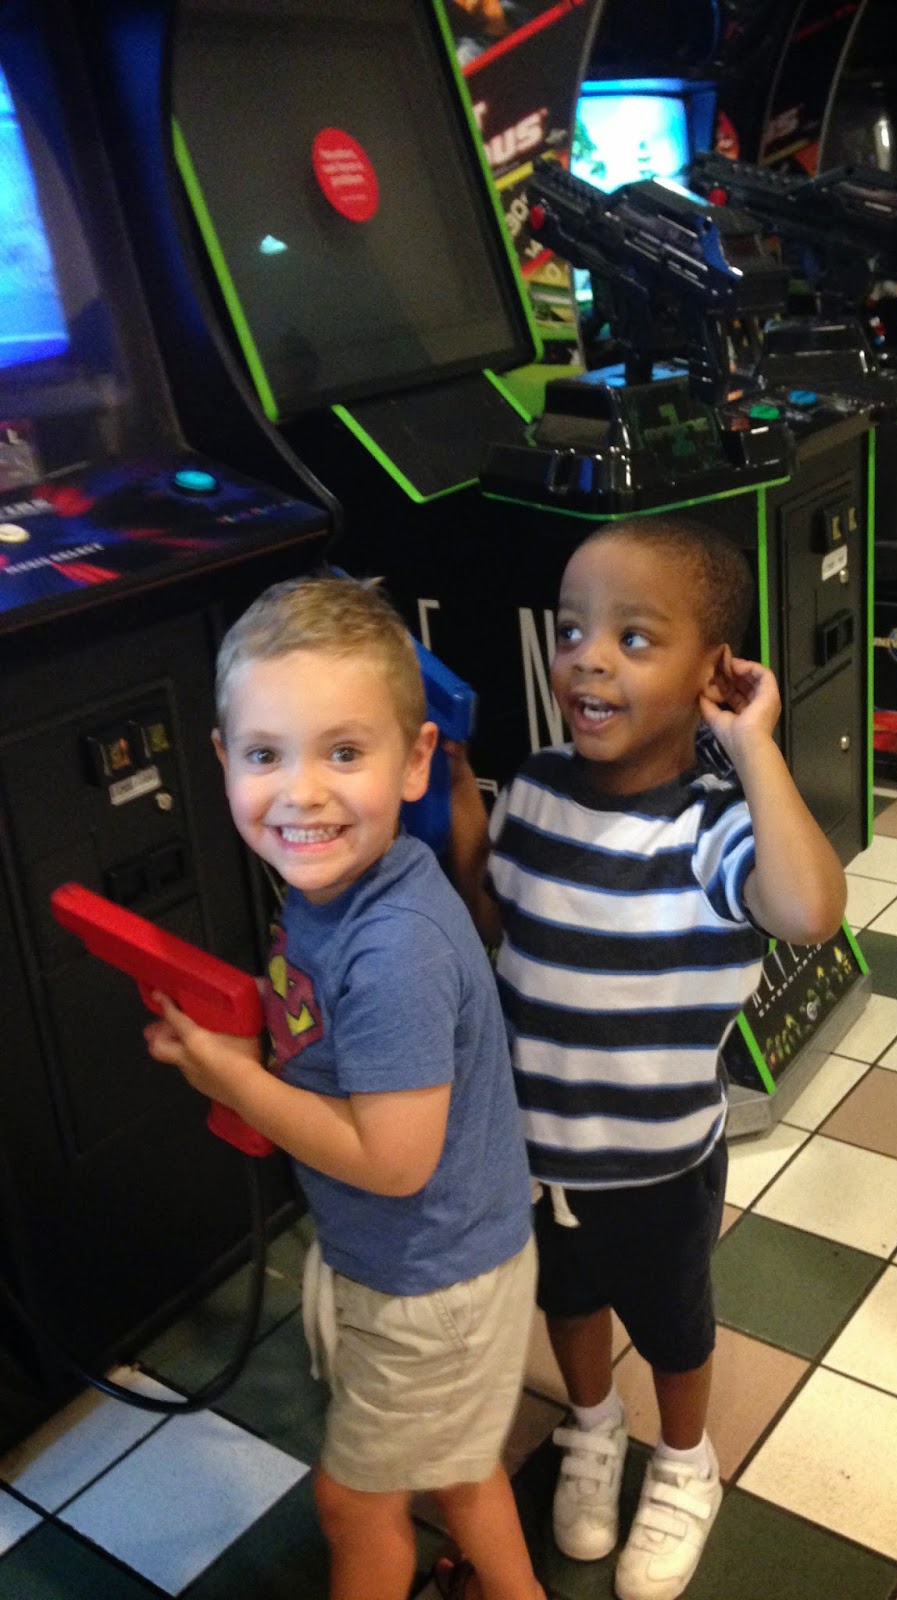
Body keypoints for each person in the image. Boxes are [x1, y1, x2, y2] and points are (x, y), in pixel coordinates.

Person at [448, 516, 846, 1600]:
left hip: (660, 1161)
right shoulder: (535, 786)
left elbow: (810, 911)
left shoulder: (713, 830)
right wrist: (461, 799)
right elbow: (495, 918)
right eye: (572, 629)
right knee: (568, 1301)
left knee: (672, 1327)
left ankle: (682, 1462)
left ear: (714, 672)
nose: (588, 657)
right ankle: (590, 1425)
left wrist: (754, 745)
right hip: (536, 1147)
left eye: (633, 638)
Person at [143, 574, 544, 1600]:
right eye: (266, 755)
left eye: (344, 752)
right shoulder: (339, 890)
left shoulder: (393, 946)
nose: (303, 792)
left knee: (355, 1508)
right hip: (434, 1261)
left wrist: (235, 1078)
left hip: (425, 1282)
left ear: (415, 761)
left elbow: (392, 1159)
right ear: (224, 759)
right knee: (459, 1467)